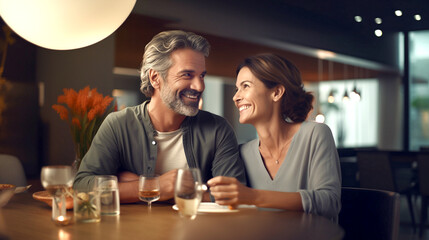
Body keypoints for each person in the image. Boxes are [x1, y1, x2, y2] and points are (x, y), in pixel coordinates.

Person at [73, 30, 247, 203]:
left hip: (196, 230)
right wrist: (153, 186)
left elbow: (233, 194)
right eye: (187, 74)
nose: (199, 86)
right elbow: (82, 185)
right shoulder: (118, 124)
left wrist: (134, 185)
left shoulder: (218, 129)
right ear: (155, 78)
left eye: (202, 76)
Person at [207, 53, 341, 220]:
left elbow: (329, 203)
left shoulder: (315, 134)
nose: (236, 97)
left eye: (246, 86)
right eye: (237, 89)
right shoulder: (242, 153)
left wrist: (253, 197)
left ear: (277, 92)